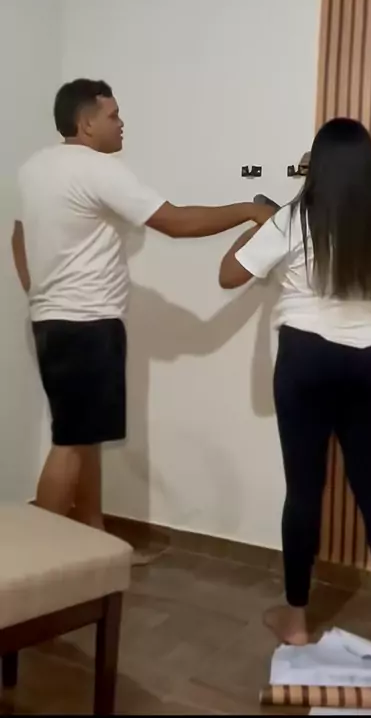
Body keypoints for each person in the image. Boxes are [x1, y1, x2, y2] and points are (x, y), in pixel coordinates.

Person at [11, 78, 274, 533]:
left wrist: (39, 293)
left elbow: (18, 235)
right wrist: (249, 211)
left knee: (82, 437)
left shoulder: (35, 168)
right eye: (113, 115)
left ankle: (92, 540)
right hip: (88, 326)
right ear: (86, 123)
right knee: (71, 444)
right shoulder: (97, 169)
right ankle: (41, 559)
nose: (121, 123)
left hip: (52, 322)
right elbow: (174, 222)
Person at [218, 118, 371, 656]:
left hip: (306, 356)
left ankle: (297, 621)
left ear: (317, 165)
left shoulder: (292, 217)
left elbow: (229, 274)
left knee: (304, 491)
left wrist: (259, 219)